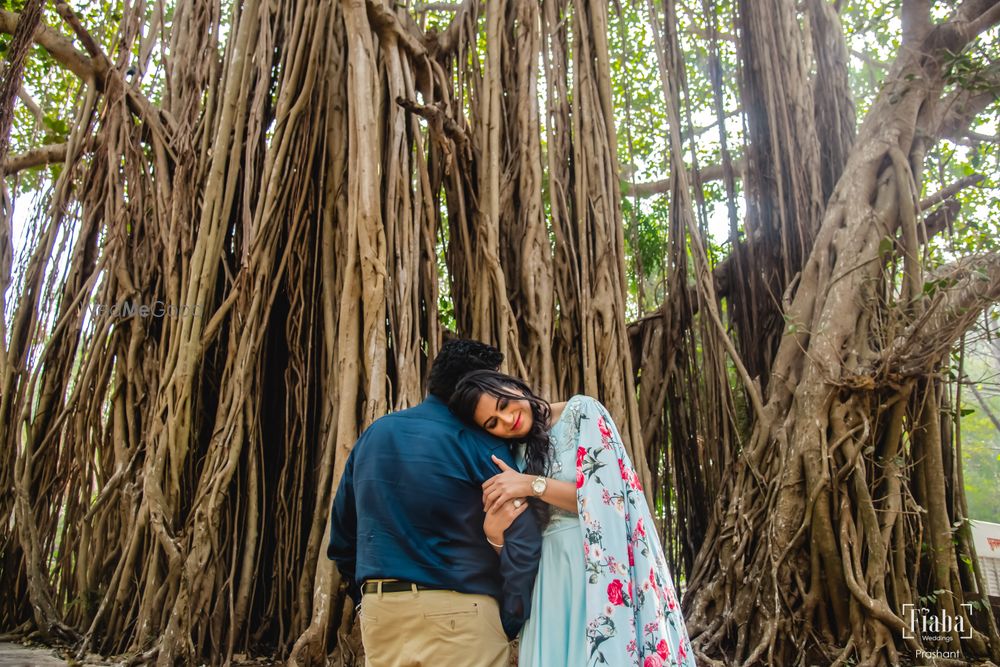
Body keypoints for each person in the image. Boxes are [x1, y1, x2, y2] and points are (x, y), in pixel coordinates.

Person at [450, 370, 696, 667]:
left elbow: (608, 497)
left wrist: (531, 485)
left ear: (515, 387)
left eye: (503, 404)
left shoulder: (581, 412)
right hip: (548, 579)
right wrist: (495, 537)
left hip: (598, 563)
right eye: (493, 423)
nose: (506, 420)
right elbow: (519, 541)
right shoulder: (510, 453)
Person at [327, 341, 542, 667]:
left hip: (381, 616)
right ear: (472, 388)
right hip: (461, 614)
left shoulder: (374, 435)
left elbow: (343, 538)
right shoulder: (481, 444)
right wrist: (509, 618)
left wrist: (367, 600)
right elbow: (522, 538)